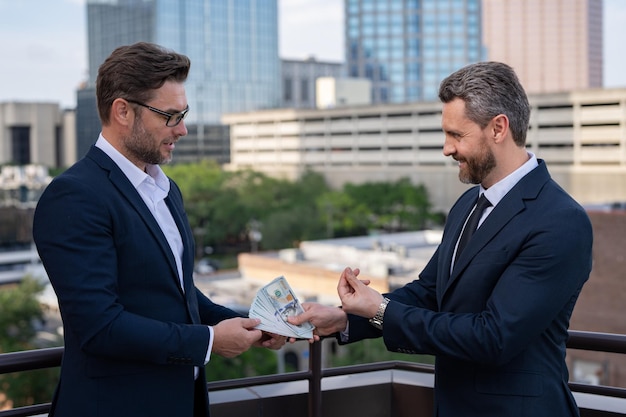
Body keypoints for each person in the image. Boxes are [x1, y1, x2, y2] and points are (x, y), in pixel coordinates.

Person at [288, 61, 593, 417]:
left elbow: (494, 337)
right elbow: (429, 293)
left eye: (456, 135)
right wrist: (345, 319)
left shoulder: (560, 221)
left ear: (498, 128)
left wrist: (382, 311)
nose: (446, 149)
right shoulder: (467, 204)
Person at [33, 42, 285, 417]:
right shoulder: (74, 196)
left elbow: (177, 294)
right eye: (169, 116)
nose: (182, 129)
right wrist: (211, 340)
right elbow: (100, 326)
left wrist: (250, 324)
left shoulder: (166, 189)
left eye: (183, 114)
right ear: (122, 111)